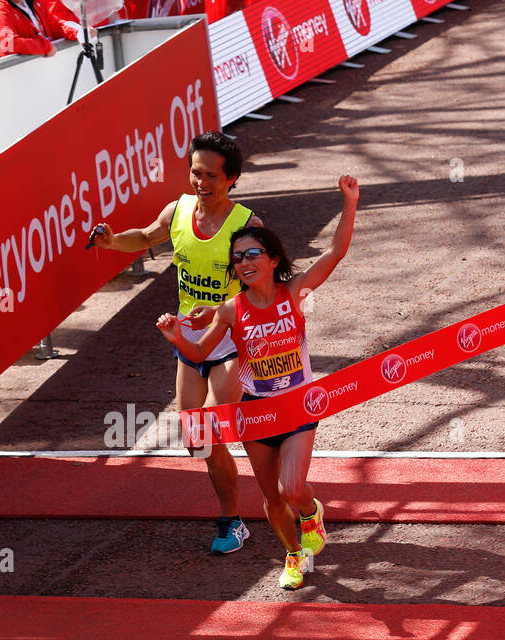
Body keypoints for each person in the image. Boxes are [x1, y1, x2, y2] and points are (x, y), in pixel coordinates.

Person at [157, 175, 359, 588]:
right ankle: (293, 555)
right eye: (237, 259)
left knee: (291, 488)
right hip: (258, 413)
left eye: (253, 254)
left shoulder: (295, 290)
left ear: (272, 259)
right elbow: (199, 354)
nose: (244, 263)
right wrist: (178, 337)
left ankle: (310, 512)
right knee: (270, 499)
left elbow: (336, 252)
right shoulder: (230, 310)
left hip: (299, 407)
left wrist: (350, 202)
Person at [92, 131, 262, 555]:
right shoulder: (179, 211)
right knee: (199, 440)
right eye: (195, 172)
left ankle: (235, 518)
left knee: (211, 431)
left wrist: (223, 310)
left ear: (233, 179)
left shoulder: (247, 227)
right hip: (188, 345)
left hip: (229, 343)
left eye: (211, 176)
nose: (200, 183)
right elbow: (148, 236)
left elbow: (264, 292)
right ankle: (240, 512)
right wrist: (113, 242)